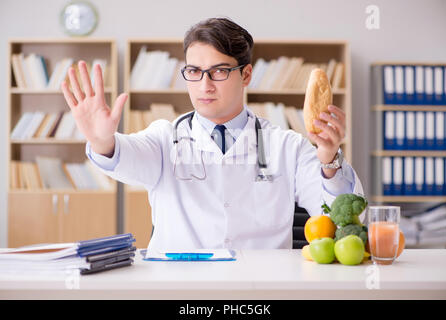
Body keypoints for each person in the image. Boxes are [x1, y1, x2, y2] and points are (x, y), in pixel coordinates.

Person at [61, 17, 364, 250]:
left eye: (219, 71)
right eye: (194, 71)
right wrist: (102, 141)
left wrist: (328, 160)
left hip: (261, 290)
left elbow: (340, 217)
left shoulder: (287, 145)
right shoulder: (165, 138)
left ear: (246, 74)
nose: (204, 85)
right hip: (181, 289)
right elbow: (123, 155)